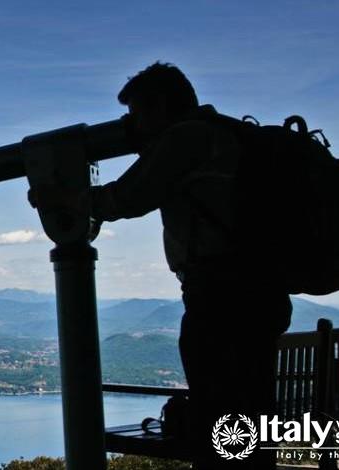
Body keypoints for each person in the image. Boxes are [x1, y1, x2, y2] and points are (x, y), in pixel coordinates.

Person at [32, 62, 292, 469]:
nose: (130, 127)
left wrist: (63, 198)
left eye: (135, 115)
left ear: (160, 106)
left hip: (219, 294)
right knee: (246, 414)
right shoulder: (230, 135)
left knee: (221, 414)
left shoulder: (187, 138)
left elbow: (127, 197)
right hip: (260, 290)